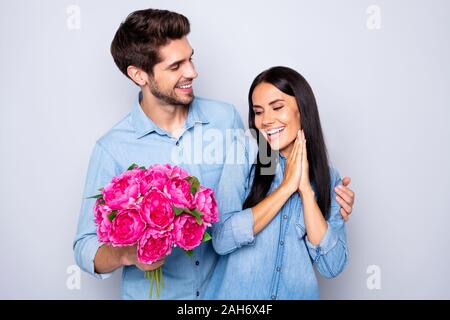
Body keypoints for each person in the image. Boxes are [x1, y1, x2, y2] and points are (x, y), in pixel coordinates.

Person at [73, 8, 355, 300]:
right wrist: (126, 254)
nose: (192, 72)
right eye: (176, 66)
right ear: (139, 74)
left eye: (190, 58)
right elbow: (84, 246)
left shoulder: (226, 119)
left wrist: (325, 195)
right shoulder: (113, 148)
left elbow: (272, 175)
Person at [206, 66, 349, 299]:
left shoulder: (329, 178)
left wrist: (305, 191)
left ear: (302, 109)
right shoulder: (244, 153)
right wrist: (286, 188)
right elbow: (221, 239)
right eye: (259, 112)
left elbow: (332, 266)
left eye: (277, 107)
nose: (266, 121)